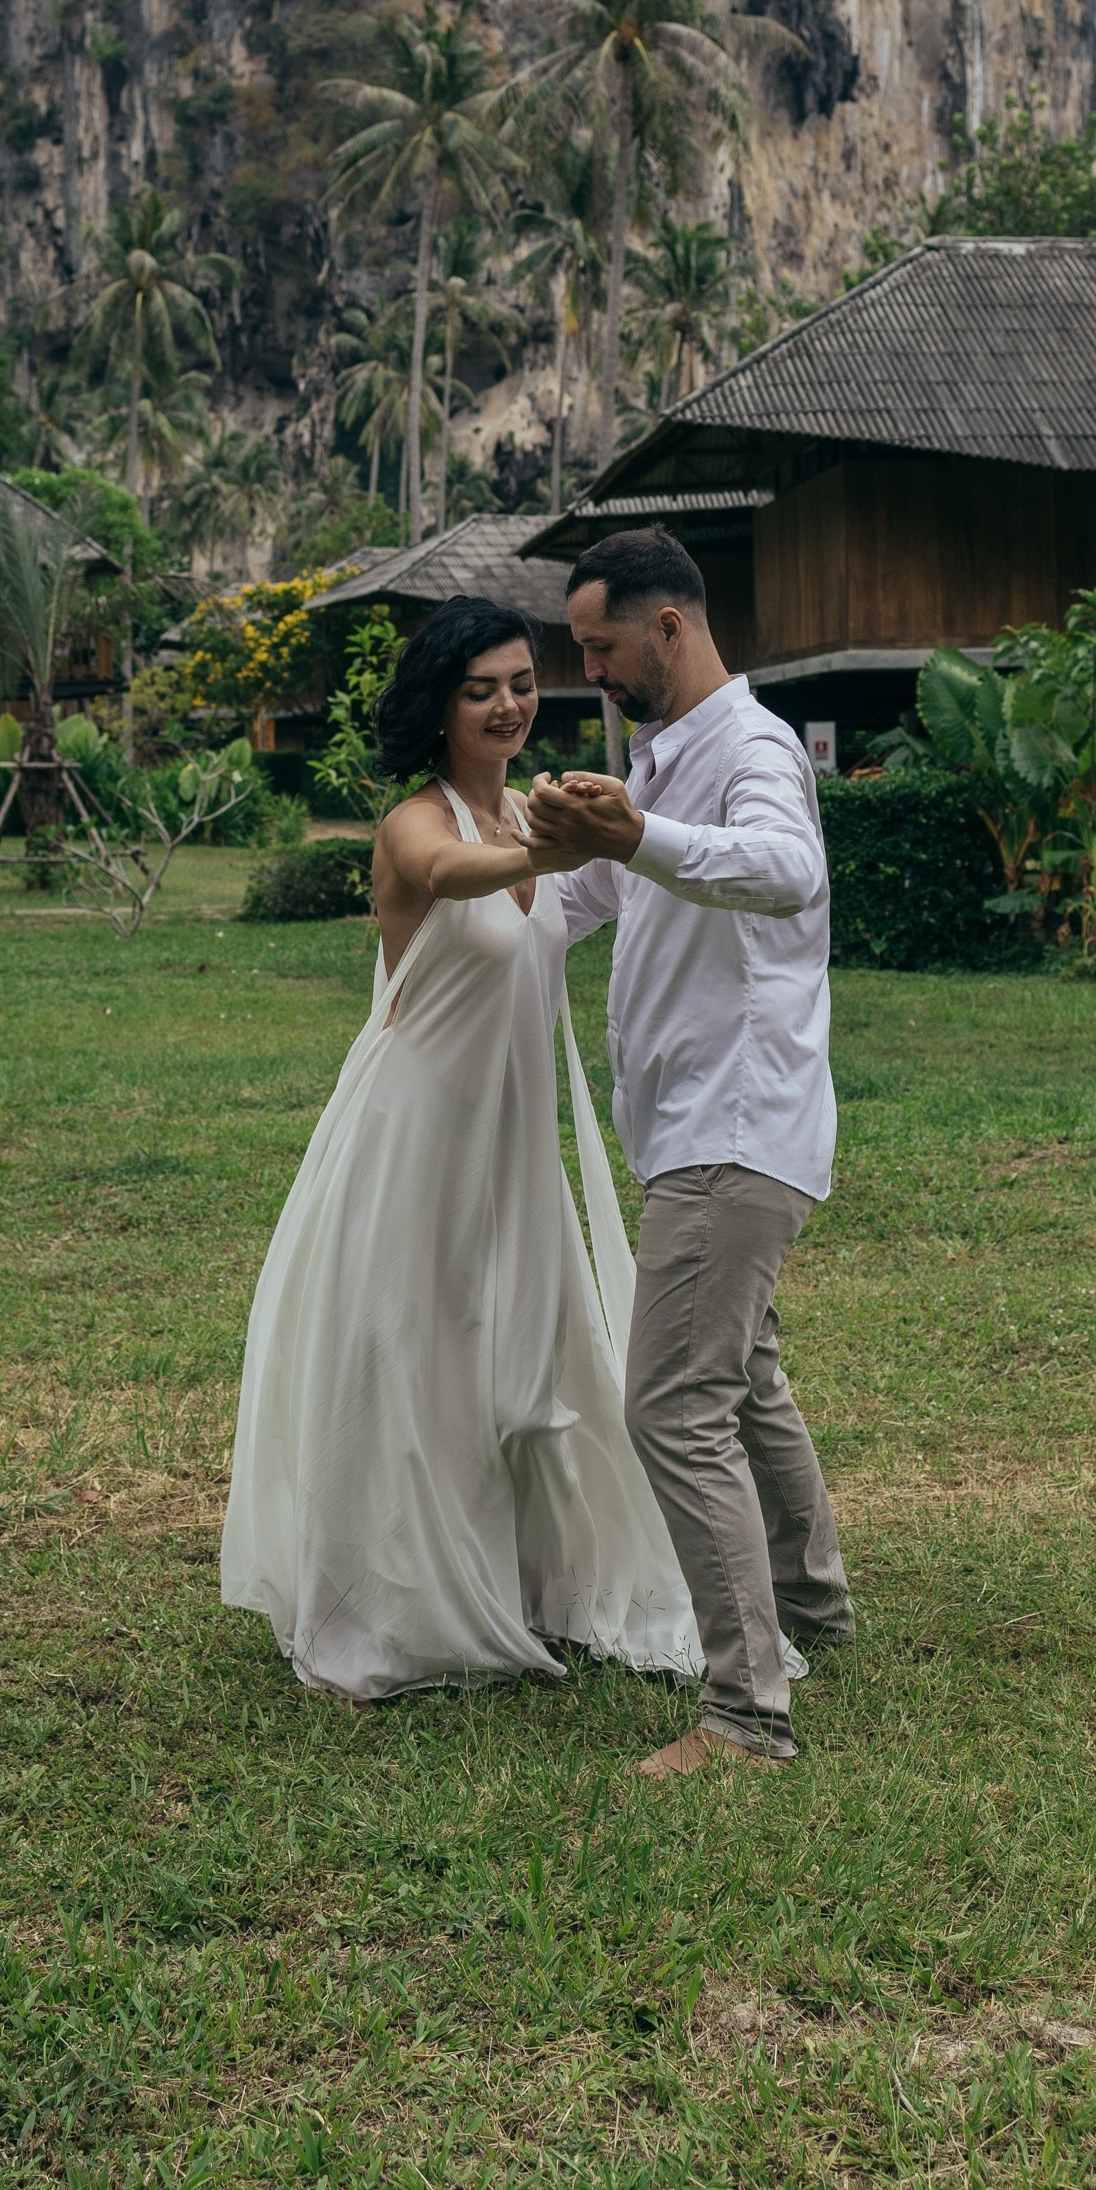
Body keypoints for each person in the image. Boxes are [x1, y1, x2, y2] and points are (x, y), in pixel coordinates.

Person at [219, 596, 701, 1705]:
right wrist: (550, 839)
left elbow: (612, 889)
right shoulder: (413, 824)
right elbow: (441, 875)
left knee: (521, 1354)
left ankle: (521, 1579)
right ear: (440, 706)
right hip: (414, 1135)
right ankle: (378, 1606)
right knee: (412, 1355)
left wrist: (597, 830)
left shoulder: (539, 818)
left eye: (522, 683)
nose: (507, 705)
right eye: (480, 688)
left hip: (510, 1141)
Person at [525, 528, 851, 1777]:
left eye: (600, 648)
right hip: (695, 1126)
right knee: (742, 1380)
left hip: (732, 1124)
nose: (589, 672)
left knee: (669, 1404)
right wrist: (495, 876)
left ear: (667, 628)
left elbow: (784, 870)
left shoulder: (752, 747)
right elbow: (591, 897)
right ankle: (812, 1606)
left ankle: (745, 1715)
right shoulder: (663, 757)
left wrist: (636, 835)